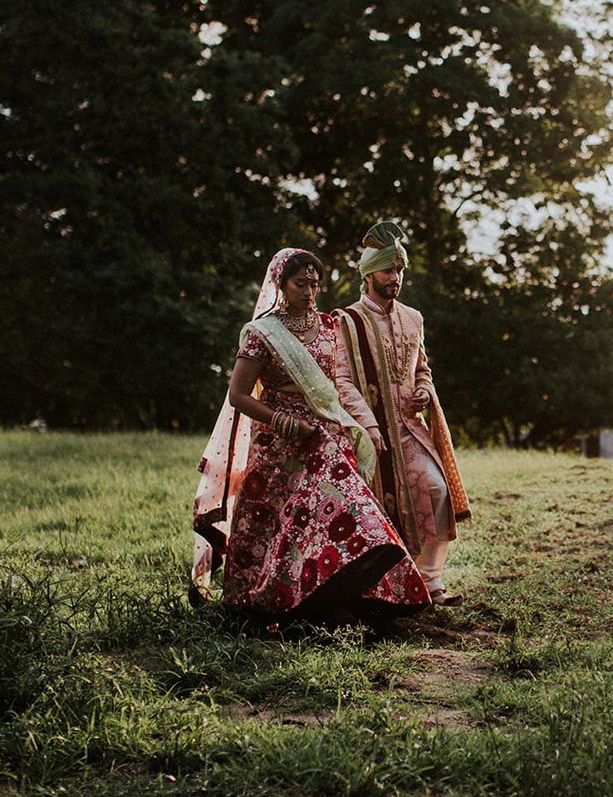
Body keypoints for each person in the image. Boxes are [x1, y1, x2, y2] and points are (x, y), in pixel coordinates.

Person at [191, 248, 429, 619]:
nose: (309, 291)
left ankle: (351, 588)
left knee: (346, 503)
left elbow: (344, 382)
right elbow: (238, 395)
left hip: (325, 431)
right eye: (300, 284)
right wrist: (285, 423)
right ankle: (274, 598)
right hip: (278, 438)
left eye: (314, 284)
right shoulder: (262, 334)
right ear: (280, 285)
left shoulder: (332, 327)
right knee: (276, 522)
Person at [332, 223, 471, 606]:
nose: (396, 279)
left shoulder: (413, 317)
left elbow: (422, 367)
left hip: (411, 428)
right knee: (383, 509)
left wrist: (425, 389)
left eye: (400, 271)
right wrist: (369, 424)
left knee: (436, 491)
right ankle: (390, 589)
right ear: (369, 273)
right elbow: (341, 380)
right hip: (369, 432)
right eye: (389, 271)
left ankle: (430, 581)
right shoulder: (348, 320)